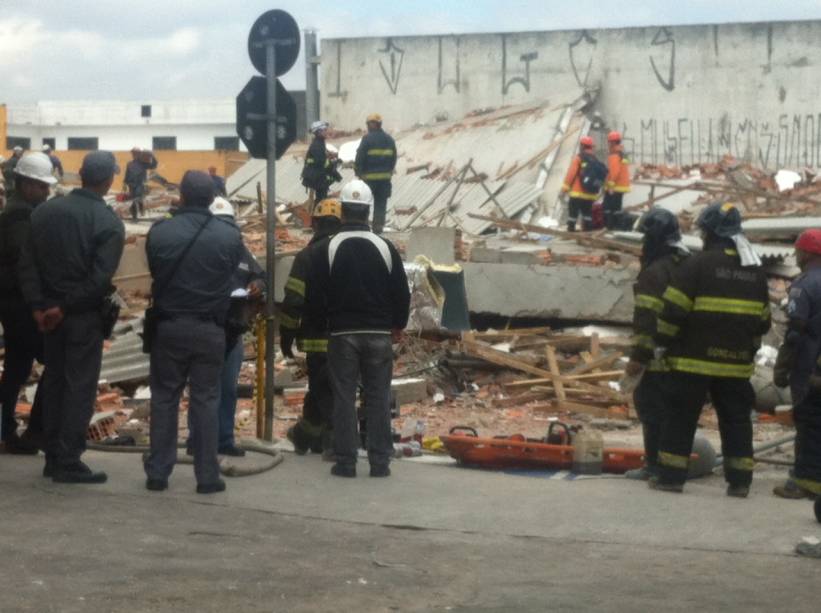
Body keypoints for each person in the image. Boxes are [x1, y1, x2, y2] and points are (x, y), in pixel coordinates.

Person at [651, 202, 770, 497]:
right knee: (736, 422)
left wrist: (661, 345)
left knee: (680, 418)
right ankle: (740, 482)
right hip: (736, 366)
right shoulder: (755, 272)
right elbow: (763, 322)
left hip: (692, 363)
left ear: (711, 232)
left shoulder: (696, 265)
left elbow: (673, 312)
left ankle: (670, 478)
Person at [144, 171, 243, 494]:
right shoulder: (229, 236)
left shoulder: (159, 232)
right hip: (210, 329)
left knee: (164, 398)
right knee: (206, 399)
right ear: (213, 198)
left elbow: (156, 272)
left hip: (169, 327)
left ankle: (158, 471)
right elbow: (230, 277)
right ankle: (207, 475)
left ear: (181, 196)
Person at [30, 151, 125, 483]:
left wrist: (39, 307)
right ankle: (68, 459)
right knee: (79, 387)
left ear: (81, 174)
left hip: (49, 316)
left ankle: (53, 454)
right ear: (108, 179)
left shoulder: (44, 212)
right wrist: (65, 307)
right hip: (81, 316)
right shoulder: (108, 222)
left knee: (54, 382)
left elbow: (28, 265)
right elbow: (99, 280)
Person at [310, 180, 410, 478]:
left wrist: (322, 326)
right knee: (378, 397)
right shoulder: (385, 247)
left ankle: (346, 462)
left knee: (344, 397)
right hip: (379, 334)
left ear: (342, 210)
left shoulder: (328, 248)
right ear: (368, 211)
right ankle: (380, 463)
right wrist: (397, 325)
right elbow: (401, 293)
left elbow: (316, 296)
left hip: (342, 335)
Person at [184, 196, 264, 457]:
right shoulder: (197, 250)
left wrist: (257, 287)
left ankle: (224, 440)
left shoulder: (240, 250)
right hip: (205, 325)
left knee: (228, 387)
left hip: (233, 328)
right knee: (203, 388)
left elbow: (260, 275)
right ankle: (198, 439)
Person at [623, 209, 689, 480]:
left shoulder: (654, 272)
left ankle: (655, 465)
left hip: (657, 356)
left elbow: (646, 319)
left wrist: (638, 356)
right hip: (687, 354)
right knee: (675, 412)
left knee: (650, 406)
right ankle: (672, 464)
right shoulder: (686, 263)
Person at [0, 153, 56, 453]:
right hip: (22, 306)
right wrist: (39, 305)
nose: (47, 192)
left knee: (17, 369)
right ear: (25, 184)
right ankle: (34, 431)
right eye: (41, 186)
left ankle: (8, 431)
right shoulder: (20, 217)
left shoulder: (18, 211)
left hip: (14, 304)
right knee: (55, 361)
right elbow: (26, 265)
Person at [280, 198, 342, 458]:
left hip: (317, 338)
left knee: (323, 390)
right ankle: (307, 436)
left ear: (314, 223)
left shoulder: (307, 257)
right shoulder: (348, 254)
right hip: (347, 337)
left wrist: (287, 335)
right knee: (325, 389)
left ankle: (330, 441)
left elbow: (294, 299)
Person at [773, 229, 821, 500]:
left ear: (805, 253)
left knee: (809, 423)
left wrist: (782, 367)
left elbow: (795, 332)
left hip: (810, 368)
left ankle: (805, 482)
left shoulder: (804, 285)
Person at [354, 113, 397, 234]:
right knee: (380, 205)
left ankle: (363, 227)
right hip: (384, 180)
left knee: (363, 203)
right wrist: (388, 171)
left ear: (371, 125)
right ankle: (378, 229)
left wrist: (358, 173)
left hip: (368, 180)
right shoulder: (389, 140)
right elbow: (393, 159)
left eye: (369, 124)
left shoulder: (367, 139)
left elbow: (360, 157)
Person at [561, 136, 602, 232]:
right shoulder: (595, 159)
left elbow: (571, 174)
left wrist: (564, 189)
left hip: (577, 193)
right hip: (590, 194)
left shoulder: (579, 158)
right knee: (587, 214)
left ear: (582, 146)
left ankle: (571, 230)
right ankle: (588, 231)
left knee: (573, 213)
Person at [302, 121, 342, 206]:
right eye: (325, 130)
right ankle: (317, 216)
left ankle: (317, 214)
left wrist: (332, 159)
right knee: (321, 199)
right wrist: (334, 171)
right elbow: (322, 163)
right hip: (316, 177)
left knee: (321, 197)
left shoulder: (320, 143)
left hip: (316, 175)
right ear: (319, 132)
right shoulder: (317, 145)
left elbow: (323, 159)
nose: (327, 131)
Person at [604, 131, 631, 229]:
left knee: (608, 208)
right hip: (622, 186)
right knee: (617, 208)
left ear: (612, 142)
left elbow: (614, 171)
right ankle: (617, 227)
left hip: (615, 186)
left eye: (609, 142)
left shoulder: (614, 154)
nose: (608, 144)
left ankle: (609, 227)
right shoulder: (622, 153)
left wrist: (610, 185)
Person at [124, 147, 158, 220]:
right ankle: (135, 216)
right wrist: (124, 184)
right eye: (133, 153)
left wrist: (152, 156)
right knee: (135, 200)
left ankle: (139, 210)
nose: (134, 154)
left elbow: (154, 165)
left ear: (139, 154)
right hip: (131, 185)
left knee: (137, 199)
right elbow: (127, 174)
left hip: (140, 185)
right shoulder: (130, 164)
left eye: (136, 153)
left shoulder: (144, 164)